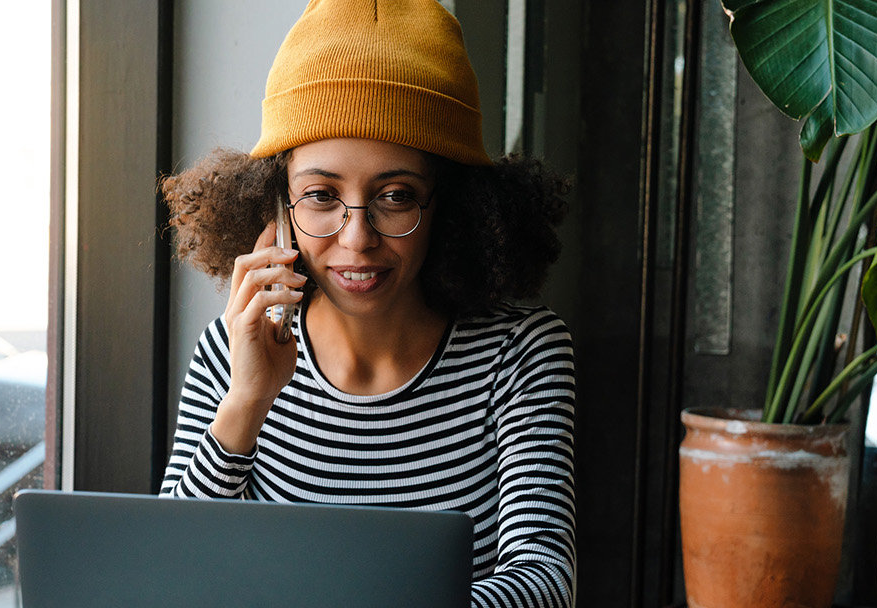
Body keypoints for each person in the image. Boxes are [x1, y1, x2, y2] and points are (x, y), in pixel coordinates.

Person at [156, 1, 576, 606]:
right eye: (321, 195)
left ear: (452, 207)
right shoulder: (232, 351)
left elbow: (544, 579)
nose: (357, 238)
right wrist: (246, 400)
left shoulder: (519, 353)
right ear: (277, 208)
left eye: (396, 195)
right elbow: (168, 573)